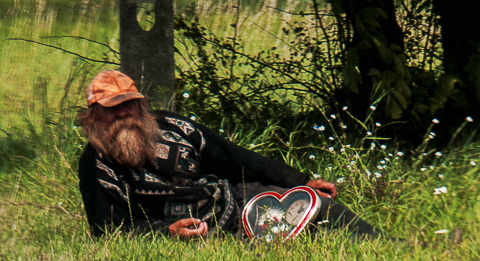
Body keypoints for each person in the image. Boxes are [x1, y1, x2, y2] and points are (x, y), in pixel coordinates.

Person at [77, 70, 385, 240]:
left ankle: (386, 245)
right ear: (94, 114)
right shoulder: (95, 163)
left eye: (128, 103)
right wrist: (167, 232)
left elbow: (234, 157)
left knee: (316, 205)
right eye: (112, 107)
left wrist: (300, 180)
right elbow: (108, 231)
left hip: (234, 200)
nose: (123, 113)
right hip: (196, 229)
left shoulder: (174, 125)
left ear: (140, 104)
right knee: (297, 239)